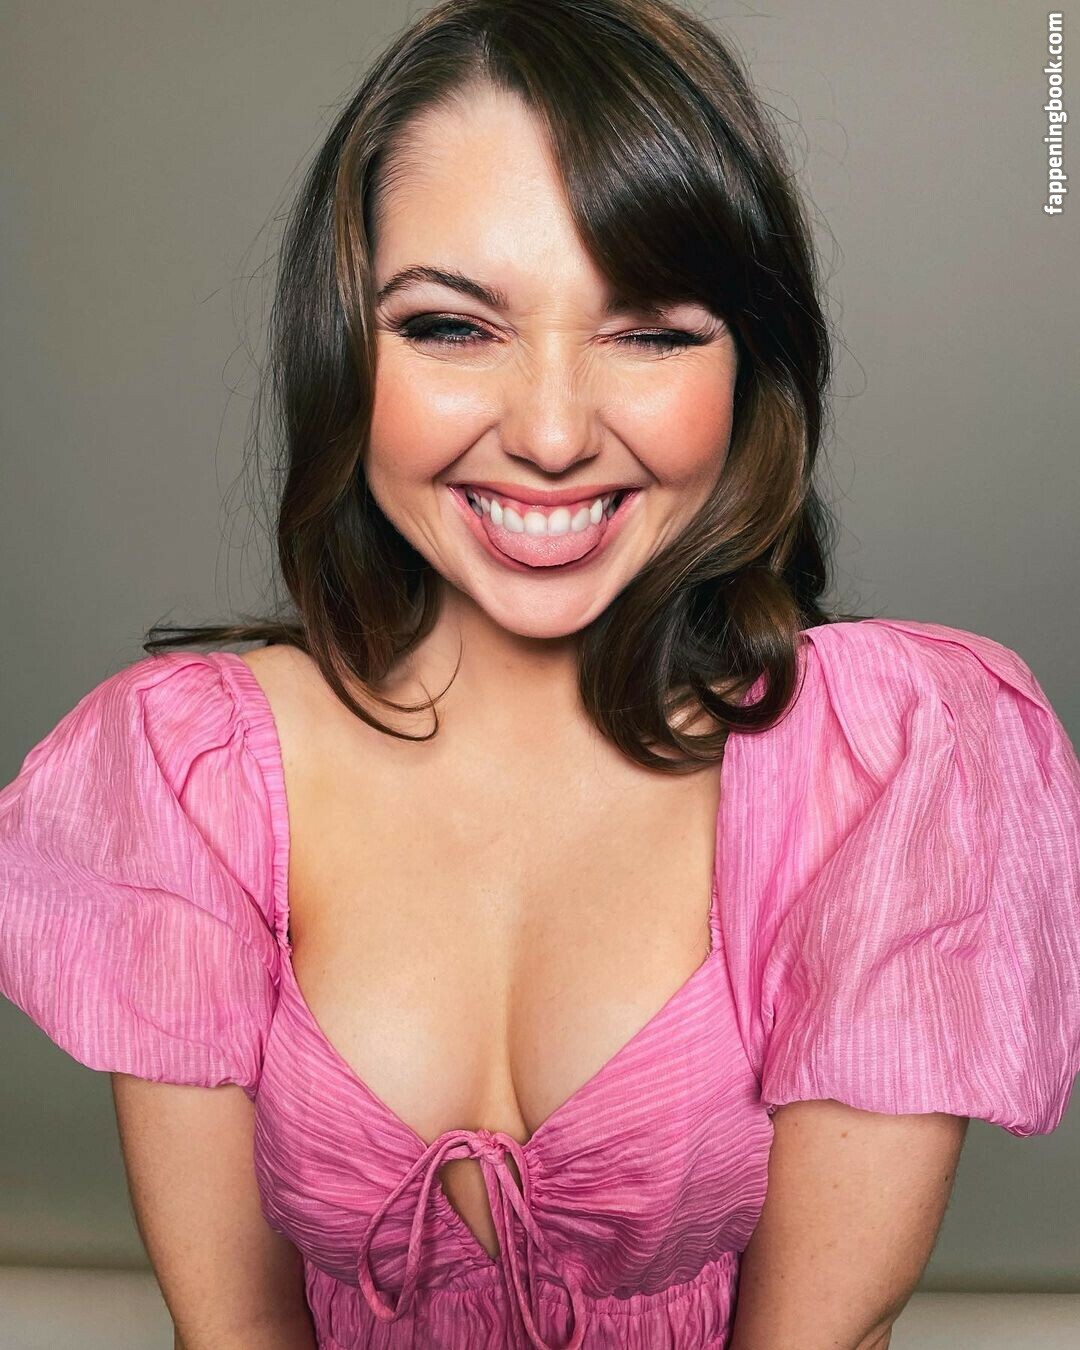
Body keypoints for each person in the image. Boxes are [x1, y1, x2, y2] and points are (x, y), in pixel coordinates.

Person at [2, 2, 1078, 1347]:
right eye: (453, 327)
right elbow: (227, 1335)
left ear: (751, 363)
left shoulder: (892, 762)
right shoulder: (183, 777)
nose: (554, 434)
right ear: (342, 350)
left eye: (651, 331)